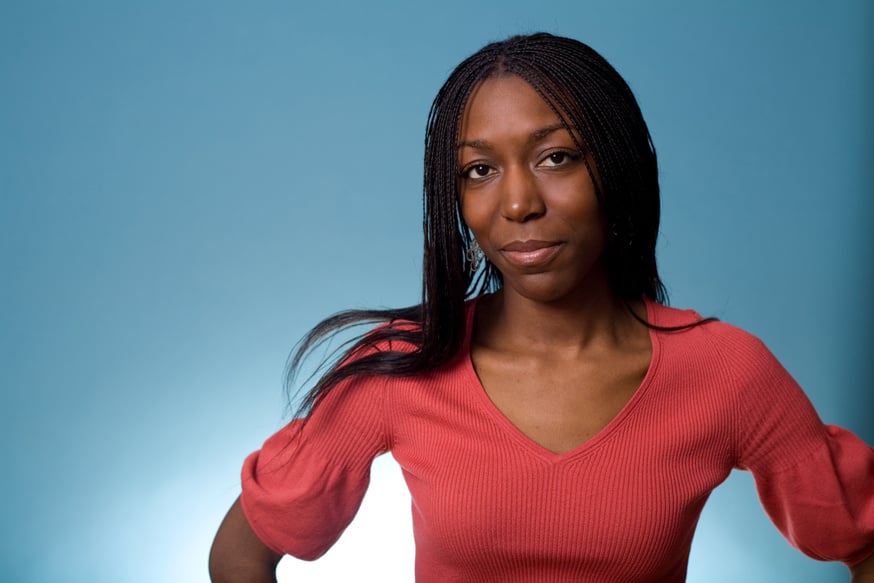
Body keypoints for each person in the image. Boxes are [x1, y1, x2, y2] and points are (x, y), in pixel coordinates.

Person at [209, 33, 874, 582]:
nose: (519, 203)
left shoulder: (727, 372)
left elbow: (862, 538)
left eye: (556, 157)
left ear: (615, 168)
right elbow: (240, 555)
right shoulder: (402, 364)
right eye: (479, 170)